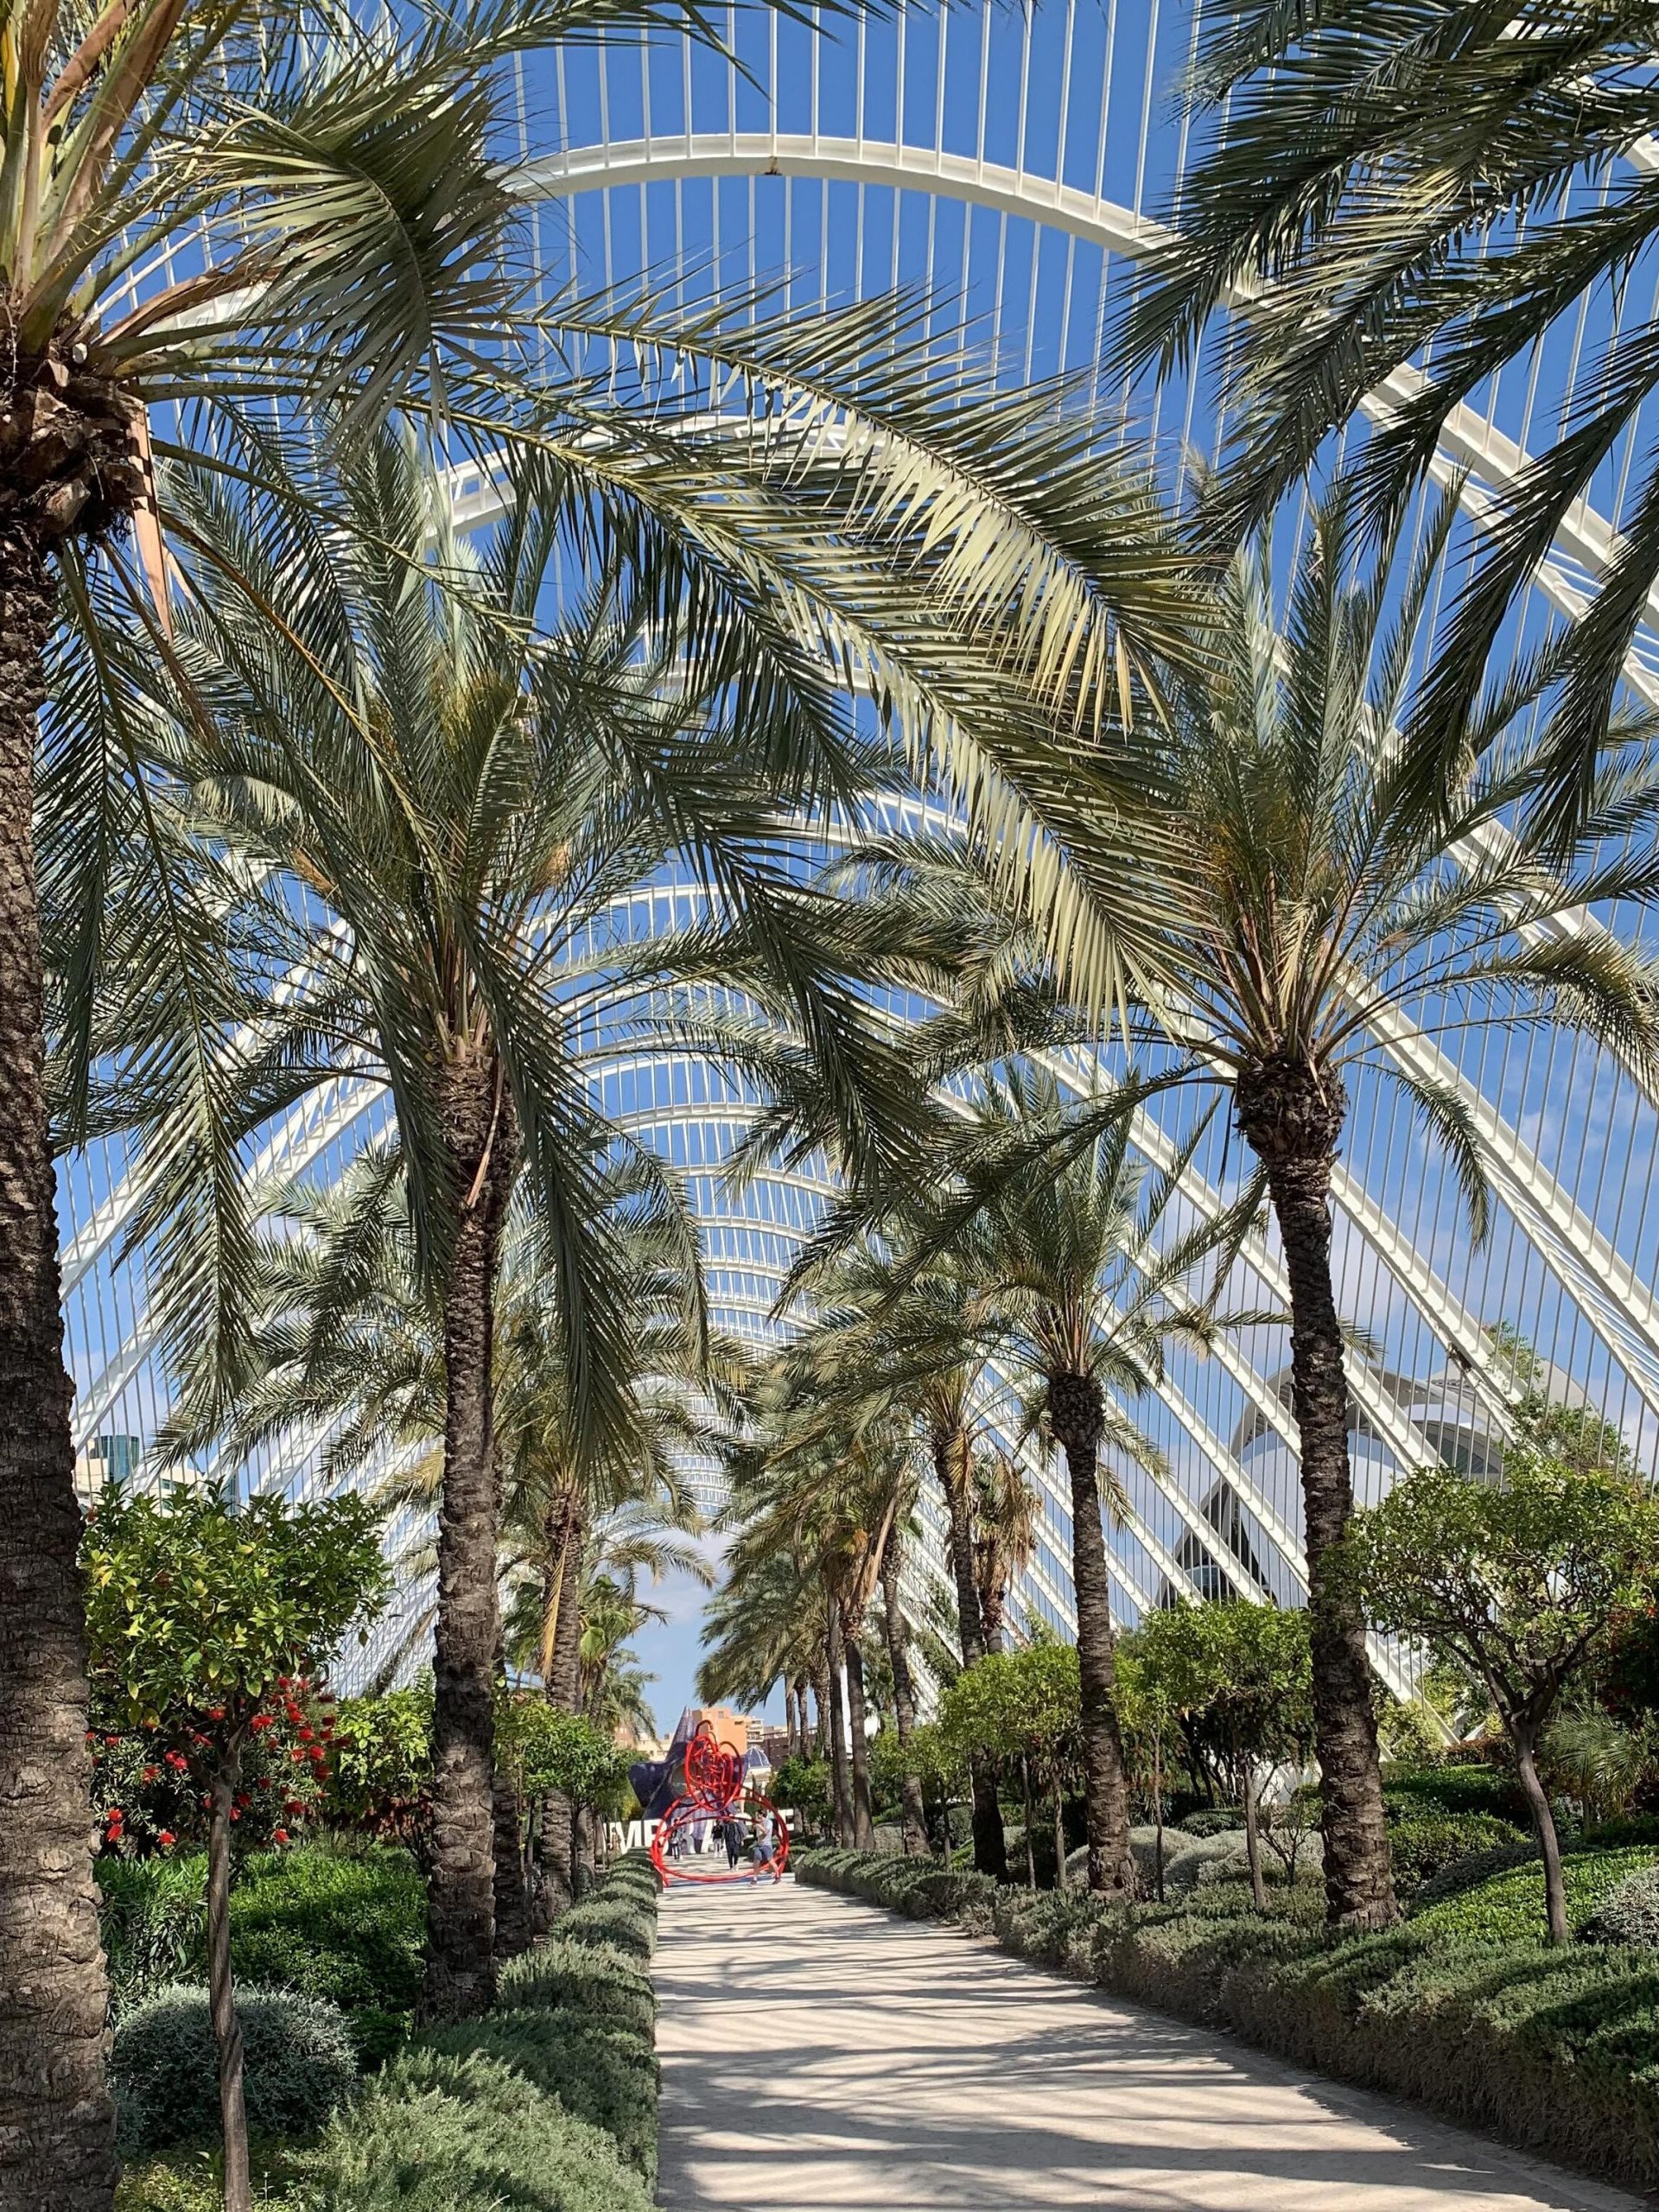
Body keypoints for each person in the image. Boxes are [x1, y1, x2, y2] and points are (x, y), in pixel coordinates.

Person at [747, 1805, 782, 1884]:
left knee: (770, 1861)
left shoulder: (768, 1822)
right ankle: (755, 1879)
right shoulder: (759, 1822)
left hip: (766, 1845)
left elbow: (766, 1832)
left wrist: (758, 1826)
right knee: (756, 1861)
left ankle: (777, 1876)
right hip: (759, 1845)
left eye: (757, 1815)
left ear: (761, 1814)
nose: (756, 1816)